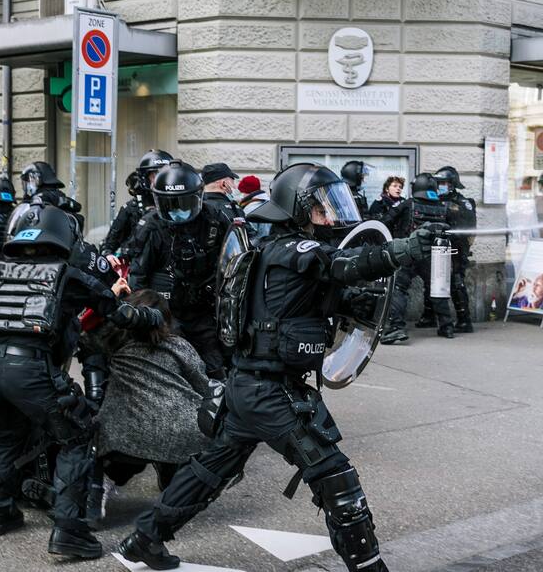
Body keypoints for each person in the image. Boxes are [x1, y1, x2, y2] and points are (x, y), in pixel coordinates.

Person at [118, 162, 433, 572]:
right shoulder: (293, 251)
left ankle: (144, 539)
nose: (328, 215)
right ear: (296, 208)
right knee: (335, 477)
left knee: (208, 471)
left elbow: (312, 299)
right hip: (270, 392)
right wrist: (405, 249)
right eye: (319, 207)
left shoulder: (278, 253)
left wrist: (351, 304)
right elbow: (347, 264)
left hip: (250, 386)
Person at [0, 202, 164, 559]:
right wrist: (150, 315)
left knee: (6, 437)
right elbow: (116, 311)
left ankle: (0, 510)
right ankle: (69, 531)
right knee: (79, 435)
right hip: (30, 369)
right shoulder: (65, 274)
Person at [89, 289, 210, 518]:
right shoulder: (180, 346)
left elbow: (84, 335)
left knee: (103, 437)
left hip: (127, 436)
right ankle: (173, 480)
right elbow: (203, 386)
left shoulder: (112, 345)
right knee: (166, 437)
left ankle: (100, 487)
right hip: (183, 433)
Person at [129, 160, 233, 380]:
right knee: (169, 372)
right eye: (170, 204)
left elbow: (233, 261)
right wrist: (143, 317)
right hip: (166, 313)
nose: (177, 211)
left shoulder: (215, 219)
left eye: (183, 203)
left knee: (215, 369)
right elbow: (138, 277)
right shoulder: (152, 226)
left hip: (203, 311)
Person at [381, 173, 453, 343]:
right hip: (432, 256)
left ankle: (396, 328)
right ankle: (446, 326)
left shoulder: (408, 204)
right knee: (437, 287)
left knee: (398, 287)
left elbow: (385, 221)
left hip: (408, 253)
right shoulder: (443, 207)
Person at [416, 166, 477, 333]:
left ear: (452, 184)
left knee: (456, 281)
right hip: (436, 246)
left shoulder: (463, 203)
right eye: (439, 182)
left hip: (457, 247)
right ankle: (429, 316)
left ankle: (464, 320)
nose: (440, 185)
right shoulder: (434, 200)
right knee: (431, 280)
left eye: (444, 183)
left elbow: (469, 228)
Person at [100, 150, 171, 260]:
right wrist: (109, 256)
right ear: (145, 179)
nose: (160, 181)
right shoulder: (132, 208)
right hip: (138, 267)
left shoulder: (178, 205)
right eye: (155, 176)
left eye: (165, 176)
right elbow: (108, 245)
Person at [20, 161, 84, 228]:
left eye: (30, 179)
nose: (28, 184)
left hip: (52, 234)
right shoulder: (28, 200)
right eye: (27, 181)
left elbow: (77, 206)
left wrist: (63, 201)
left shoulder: (53, 194)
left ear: (41, 177)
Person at [237, 175, 271, 240]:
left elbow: (250, 233)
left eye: (242, 192)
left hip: (258, 246)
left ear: (247, 191)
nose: (242, 196)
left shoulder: (250, 208)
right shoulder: (268, 202)